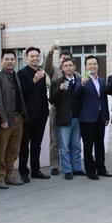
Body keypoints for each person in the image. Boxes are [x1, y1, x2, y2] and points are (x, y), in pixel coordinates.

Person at [0, 50, 28, 189]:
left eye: (12, 59)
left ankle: (9, 174)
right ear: (1, 61)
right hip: (5, 120)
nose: (10, 61)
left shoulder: (15, 75)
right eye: (6, 59)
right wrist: (3, 119)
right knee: (1, 150)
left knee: (14, 149)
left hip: (18, 118)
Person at [17, 47, 51, 182]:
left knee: (37, 145)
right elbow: (22, 93)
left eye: (37, 56)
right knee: (24, 145)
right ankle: (23, 172)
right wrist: (33, 81)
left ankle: (35, 170)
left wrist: (46, 111)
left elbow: (43, 94)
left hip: (41, 115)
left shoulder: (41, 72)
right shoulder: (21, 73)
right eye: (32, 56)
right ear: (27, 58)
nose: (35, 58)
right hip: (28, 116)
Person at [50, 58, 85, 180]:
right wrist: (59, 90)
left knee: (76, 145)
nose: (69, 67)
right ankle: (67, 170)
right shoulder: (56, 82)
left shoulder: (80, 81)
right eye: (66, 66)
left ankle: (77, 168)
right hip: (64, 119)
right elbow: (52, 100)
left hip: (77, 118)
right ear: (62, 68)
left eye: (70, 65)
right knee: (64, 146)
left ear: (74, 67)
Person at [78, 55, 110, 180]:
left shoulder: (102, 81)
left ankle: (101, 168)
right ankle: (91, 171)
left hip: (100, 118)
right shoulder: (81, 80)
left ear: (98, 66)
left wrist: (106, 116)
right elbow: (76, 94)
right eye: (90, 64)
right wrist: (81, 85)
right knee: (88, 146)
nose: (92, 66)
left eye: (94, 64)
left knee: (100, 145)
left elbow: (104, 100)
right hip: (87, 119)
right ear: (86, 66)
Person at [44, 46, 73, 176]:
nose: (66, 63)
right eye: (63, 59)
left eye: (68, 60)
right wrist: (50, 53)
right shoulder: (54, 71)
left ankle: (70, 164)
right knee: (55, 140)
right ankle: (55, 165)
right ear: (60, 61)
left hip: (69, 111)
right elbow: (46, 66)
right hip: (56, 110)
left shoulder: (76, 75)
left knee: (69, 140)